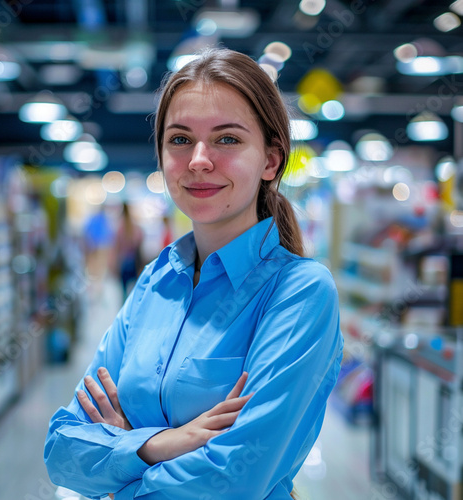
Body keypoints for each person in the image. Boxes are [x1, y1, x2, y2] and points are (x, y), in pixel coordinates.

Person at [44, 48, 343, 499]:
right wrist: (161, 445)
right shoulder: (154, 281)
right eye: (180, 139)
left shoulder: (299, 293)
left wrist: (121, 458)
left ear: (270, 160)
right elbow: (61, 449)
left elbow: (234, 480)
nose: (199, 160)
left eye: (227, 139)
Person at [110, 202, 144, 296]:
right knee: (135, 288)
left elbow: (116, 249)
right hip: (134, 262)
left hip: (124, 263)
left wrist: (114, 265)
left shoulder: (119, 229)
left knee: (124, 290)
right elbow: (139, 246)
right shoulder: (135, 228)